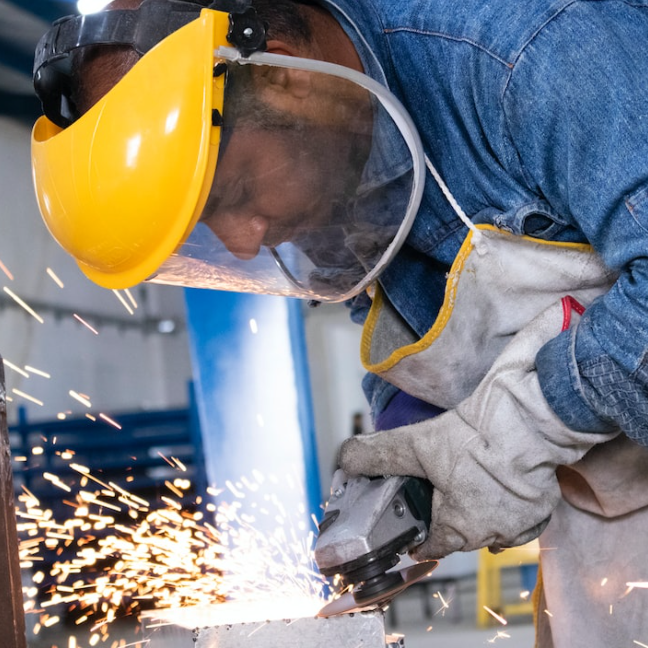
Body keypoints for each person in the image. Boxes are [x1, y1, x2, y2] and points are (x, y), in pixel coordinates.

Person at [30, 0, 648, 644]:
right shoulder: (329, 150)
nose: (243, 243)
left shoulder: (528, 52)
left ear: (285, 76)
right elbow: (399, 310)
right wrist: (410, 454)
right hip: (604, 509)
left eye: (234, 195)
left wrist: (517, 434)